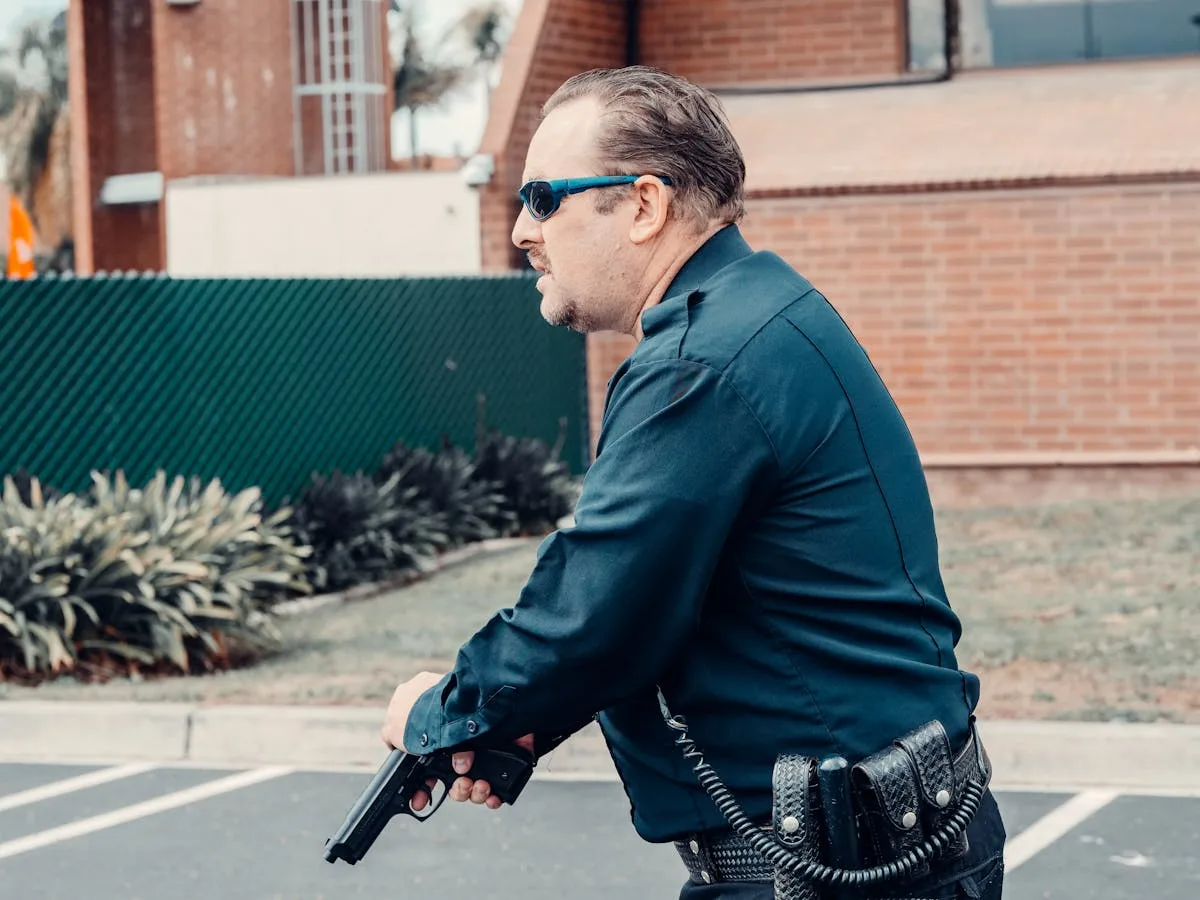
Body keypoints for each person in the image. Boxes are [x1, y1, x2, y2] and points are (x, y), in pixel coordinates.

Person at [380, 65, 1007, 900]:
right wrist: (525, 722)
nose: (524, 231)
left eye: (543, 198)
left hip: (839, 870)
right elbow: (655, 608)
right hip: (892, 843)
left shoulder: (700, 364)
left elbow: (590, 611)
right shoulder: (760, 312)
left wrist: (438, 713)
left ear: (644, 205)